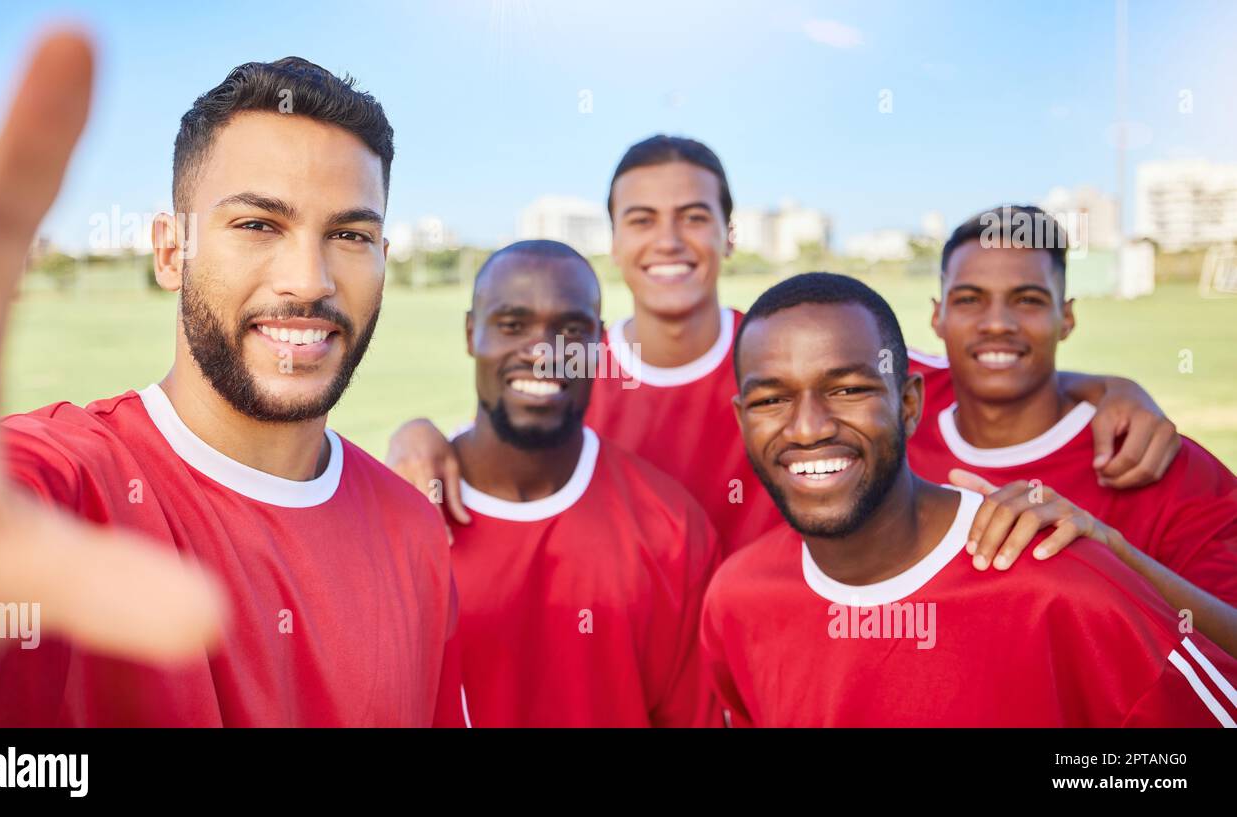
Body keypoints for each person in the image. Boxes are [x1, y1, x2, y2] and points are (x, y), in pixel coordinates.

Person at [0, 32, 456, 727]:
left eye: (350, 235)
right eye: (257, 223)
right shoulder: (60, 484)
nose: (310, 279)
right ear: (171, 250)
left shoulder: (415, 532)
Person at [388, 136, 1185, 556]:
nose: (670, 239)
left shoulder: (795, 361)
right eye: (642, 218)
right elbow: (500, 434)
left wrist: (1102, 385)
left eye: (695, 215)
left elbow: (979, 371)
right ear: (616, 241)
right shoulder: (580, 364)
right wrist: (415, 433)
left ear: (729, 235)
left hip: (788, 655)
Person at [701, 272, 1237, 726]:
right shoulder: (735, 599)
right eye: (772, 399)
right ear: (740, 417)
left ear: (909, 405)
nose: (809, 427)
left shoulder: (1061, 582)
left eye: (848, 390)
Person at [907, 205, 1237, 656]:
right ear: (937, 317)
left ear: (1067, 318)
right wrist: (1108, 385)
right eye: (968, 299)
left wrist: (1112, 555)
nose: (998, 323)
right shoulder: (889, 400)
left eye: (1028, 300)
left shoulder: (1154, 458)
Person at [441, 240, 719, 726]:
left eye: (571, 330)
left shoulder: (671, 526)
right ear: (471, 333)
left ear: (600, 345)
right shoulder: (404, 514)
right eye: (511, 325)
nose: (544, 353)